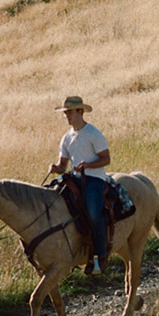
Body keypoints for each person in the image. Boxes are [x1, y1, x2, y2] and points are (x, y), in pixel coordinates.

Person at [48, 94, 112, 276]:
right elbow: (63, 166)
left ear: (80, 112)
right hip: (75, 178)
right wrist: (56, 168)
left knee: (93, 212)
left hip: (94, 179)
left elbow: (106, 159)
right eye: (65, 113)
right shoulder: (66, 138)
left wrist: (88, 165)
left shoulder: (93, 133)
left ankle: (101, 255)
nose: (66, 116)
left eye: (69, 112)